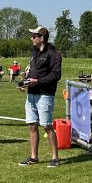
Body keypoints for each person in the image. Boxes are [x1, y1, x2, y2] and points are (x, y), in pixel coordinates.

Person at [19, 26, 63, 167]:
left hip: (45, 94)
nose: (31, 38)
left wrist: (38, 81)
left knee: (47, 126)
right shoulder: (34, 52)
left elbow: (56, 75)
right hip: (31, 94)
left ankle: (55, 158)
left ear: (42, 38)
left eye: (34, 36)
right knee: (32, 125)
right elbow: (32, 72)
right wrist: (24, 82)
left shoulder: (53, 54)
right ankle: (34, 157)